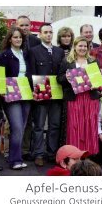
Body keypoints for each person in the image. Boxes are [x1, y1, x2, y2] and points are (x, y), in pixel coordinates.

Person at [27, 23, 65, 166]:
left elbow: (61, 72)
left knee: (54, 125)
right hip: (40, 94)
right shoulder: (34, 51)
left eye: (50, 32)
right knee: (39, 125)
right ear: (40, 34)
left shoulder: (59, 51)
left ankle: (52, 153)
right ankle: (38, 154)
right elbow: (30, 72)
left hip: (56, 94)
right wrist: (33, 90)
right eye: (45, 32)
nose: (48, 34)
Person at [58, 37, 100, 156]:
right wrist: (66, 78)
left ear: (88, 48)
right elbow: (59, 78)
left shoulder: (93, 61)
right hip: (74, 98)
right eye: (80, 46)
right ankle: (74, 154)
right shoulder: (67, 61)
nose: (82, 48)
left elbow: (98, 79)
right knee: (74, 126)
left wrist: (95, 84)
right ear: (75, 47)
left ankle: (89, 153)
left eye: (85, 46)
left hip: (90, 98)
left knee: (89, 125)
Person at [0, 26, 32, 170]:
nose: (18, 39)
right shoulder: (4, 55)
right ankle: (15, 160)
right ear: (10, 39)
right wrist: (1, 92)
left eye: (20, 37)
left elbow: (30, 74)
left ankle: (14, 158)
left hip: (26, 94)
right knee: (17, 127)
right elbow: (0, 75)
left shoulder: (26, 54)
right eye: (15, 37)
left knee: (21, 128)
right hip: (11, 94)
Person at [56, 26, 75, 145]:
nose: (66, 38)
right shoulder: (57, 51)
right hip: (58, 87)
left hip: (72, 91)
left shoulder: (76, 50)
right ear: (59, 38)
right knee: (59, 121)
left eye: (68, 36)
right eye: (63, 36)